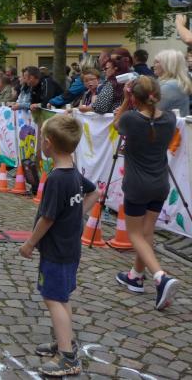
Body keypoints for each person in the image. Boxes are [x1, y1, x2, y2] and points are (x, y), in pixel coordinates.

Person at [19, 115, 99, 377]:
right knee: (62, 296)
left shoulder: (56, 179)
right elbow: (95, 192)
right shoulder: (72, 172)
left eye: (42, 138)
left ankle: (67, 357)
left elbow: (48, 218)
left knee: (53, 298)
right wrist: (77, 215)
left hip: (56, 250)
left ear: (49, 143)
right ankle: (66, 341)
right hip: (70, 248)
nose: (41, 142)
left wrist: (30, 243)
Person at [113, 76, 181, 310]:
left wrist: (125, 101)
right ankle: (135, 276)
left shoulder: (131, 119)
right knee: (147, 231)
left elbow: (116, 124)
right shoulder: (170, 119)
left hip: (136, 185)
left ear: (135, 97)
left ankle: (160, 276)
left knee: (134, 234)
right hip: (160, 183)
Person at [152, 49, 192, 117]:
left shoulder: (169, 86)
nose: (154, 65)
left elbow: (151, 111)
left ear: (168, 65)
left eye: (157, 62)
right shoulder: (175, 83)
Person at [94, 48, 132, 114]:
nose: (104, 71)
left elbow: (100, 107)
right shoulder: (134, 78)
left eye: (106, 68)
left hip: (116, 118)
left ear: (115, 68)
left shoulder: (111, 83)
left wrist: (93, 104)